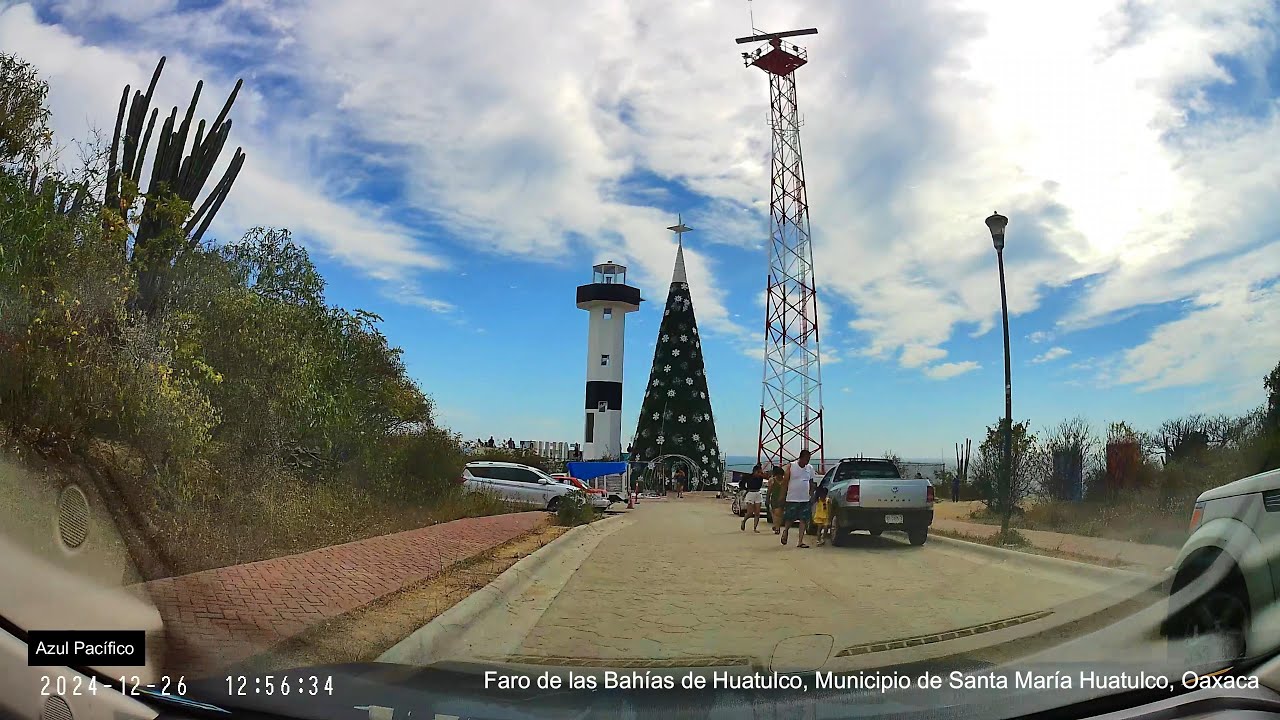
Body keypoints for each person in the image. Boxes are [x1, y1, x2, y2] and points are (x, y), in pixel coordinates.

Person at [781, 449, 815, 548]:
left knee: (803, 519)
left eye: (809, 459)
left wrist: (811, 494)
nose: (807, 461)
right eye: (806, 459)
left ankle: (800, 541)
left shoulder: (810, 468)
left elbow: (812, 482)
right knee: (790, 518)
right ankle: (786, 531)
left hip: (805, 498)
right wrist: (782, 495)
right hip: (792, 497)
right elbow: (785, 481)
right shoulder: (791, 466)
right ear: (801, 457)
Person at [740, 464, 765, 532]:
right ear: (755, 471)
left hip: (758, 493)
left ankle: (755, 528)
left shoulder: (760, 477)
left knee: (757, 513)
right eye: (758, 472)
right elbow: (741, 484)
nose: (759, 474)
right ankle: (744, 521)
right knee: (750, 512)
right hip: (750, 493)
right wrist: (745, 489)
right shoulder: (748, 477)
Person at [767, 466, 786, 534]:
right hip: (774, 499)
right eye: (778, 475)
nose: (779, 476)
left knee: (780, 514)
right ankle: (777, 527)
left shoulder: (785, 481)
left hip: (782, 499)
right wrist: (767, 498)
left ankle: (776, 526)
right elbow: (769, 490)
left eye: (781, 475)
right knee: (776, 513)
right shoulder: (772, 480)